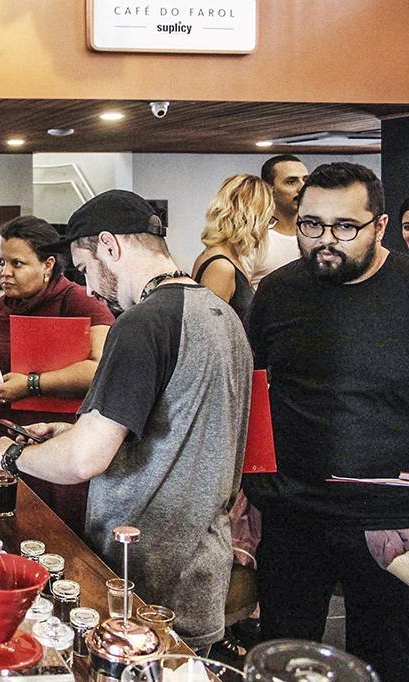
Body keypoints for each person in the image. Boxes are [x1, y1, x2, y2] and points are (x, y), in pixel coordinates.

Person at [0, 190, 251, 652]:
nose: (89, 288)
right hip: (202, 570)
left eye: (86, 267)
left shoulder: (144, 322)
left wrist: (9, 455)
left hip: (141, 578)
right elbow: (180, 433)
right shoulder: (222, 314)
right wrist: (72, 430)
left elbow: (85, 461)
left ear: (110, 246)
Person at [245, 162, 409, 680]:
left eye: (344, 227)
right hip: (293, 511)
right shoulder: (277, 292)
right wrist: (256, 481)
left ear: (379, 227)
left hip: (387, 517)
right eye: (310, 225)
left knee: (386, 660)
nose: (325, 241)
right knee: (284, 654)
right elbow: (255, 387)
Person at [0, 215, 114, 534]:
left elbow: (100, 371)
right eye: (0, 262)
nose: (4, 273)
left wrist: (31, 384)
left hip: (53, 455)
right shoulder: (2, 306)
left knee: (50, 537)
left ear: (48, 265)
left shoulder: (80, 303)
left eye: (16, 264)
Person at [192, 174, 274, 324]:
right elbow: (211, 334)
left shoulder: (231, 259)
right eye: (268, 220)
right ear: (252, 219)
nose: (267, 228)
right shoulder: (221, 267)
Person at [245, 154, 309, 287]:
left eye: (306, 180)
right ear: (269, 188)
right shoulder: (253, 239)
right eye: (291, 182)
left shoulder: (317, 235)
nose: (302, 188)